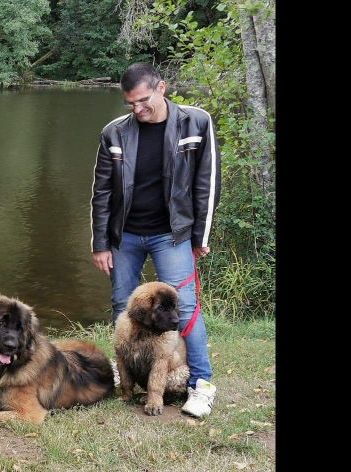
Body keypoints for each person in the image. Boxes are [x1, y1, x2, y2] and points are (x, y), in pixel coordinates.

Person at [90, 62, 221, 418]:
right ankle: (129, 376)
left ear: (161, 88)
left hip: (172, 234)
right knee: (123, 305)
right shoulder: (114, 133)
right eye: (130, 103)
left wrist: (201, 235)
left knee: (187, 309)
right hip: (125, 235)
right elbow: (102, 192)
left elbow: (206, 184)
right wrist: (100, 243)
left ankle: (201, 386)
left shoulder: (196, 121)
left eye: (143, 100)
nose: (137, 109)